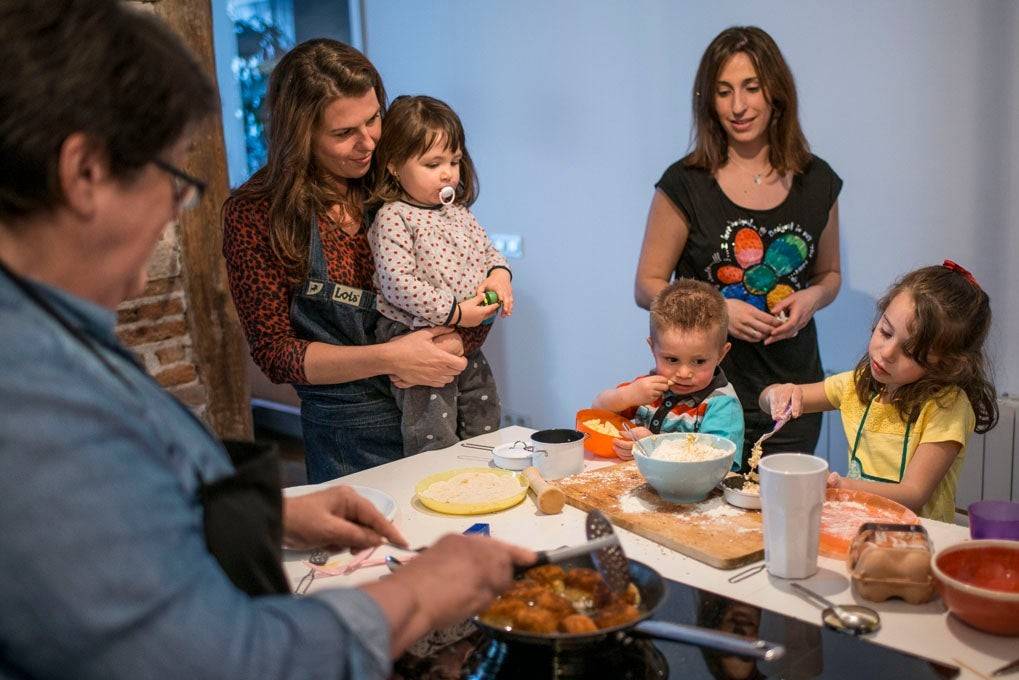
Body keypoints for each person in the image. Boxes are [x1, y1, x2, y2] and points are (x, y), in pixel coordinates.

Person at [0, 2, 535, 678]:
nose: (178, 206)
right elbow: (209, 656)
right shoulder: (31, 389)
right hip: (351, 430)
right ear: (83, 174)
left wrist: (270, 513)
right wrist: (419, 593)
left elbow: (136, 519)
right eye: (171, 175)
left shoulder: (57, 337)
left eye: (374, 122)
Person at [223, 40, 478, 481]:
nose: (368, 143)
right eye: (344, 133)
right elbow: (276, 353)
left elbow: (467, 279)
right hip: (349, 440)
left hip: (445, 407)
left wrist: (460, 343)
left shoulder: (398, 177)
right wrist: (391, 358)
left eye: (373, 118)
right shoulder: (257, 214)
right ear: (299, 134)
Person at [633, 26, 842, 468]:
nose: (739, 106)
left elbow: (830, 275)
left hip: (793, 394)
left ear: (776, 93)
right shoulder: (685, 183)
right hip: (700, 395)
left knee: (772, 521)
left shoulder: (817, 180)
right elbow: (646, 286)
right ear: (708, 100)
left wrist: (812, 298)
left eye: (751, 88)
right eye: (724, 91)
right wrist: (719, 308)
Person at [760, 262, 997, 522]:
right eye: (885, 332)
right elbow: (769, 399)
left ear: (945, 364)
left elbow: (914, 493)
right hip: (864, 524)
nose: (886, 353)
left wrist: (843, 487)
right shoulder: (857, 385)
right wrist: (778, 393)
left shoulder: (947, 407)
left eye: (909, 352)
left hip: (918, 537)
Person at [368, 95, 512, 455]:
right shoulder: (394, 216)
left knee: (483, 404)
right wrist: (456, 312)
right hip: (414, 331)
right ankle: (436, 478)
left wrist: (499, 275)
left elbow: (488, 251)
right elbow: (396, 283)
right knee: (432, 422)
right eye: (433, 163)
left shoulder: (457, 212)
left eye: (454, 161)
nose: (448, 173)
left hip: (462, 331)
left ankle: (480, 468)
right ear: (394, 166)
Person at [593, 279, 744, 465]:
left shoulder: (722, 405)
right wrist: (628, 395)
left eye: (699, 361)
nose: (683, 373)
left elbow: (719, 464)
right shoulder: (646, 388)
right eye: (672, 360)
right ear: (652, 348)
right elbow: (596, 411)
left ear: (721, 355)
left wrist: (653, 447)